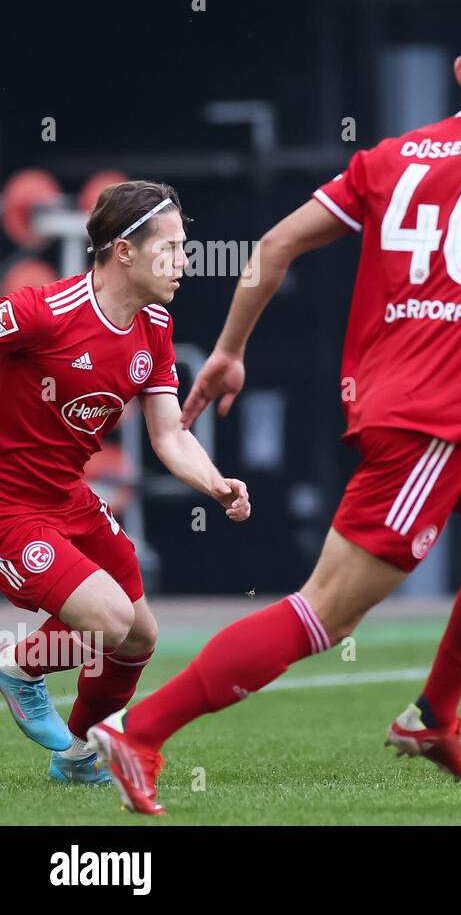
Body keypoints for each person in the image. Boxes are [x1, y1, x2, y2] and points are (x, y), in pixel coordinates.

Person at [88, 3, 461, 815]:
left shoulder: (391, 157)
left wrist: (227, 351)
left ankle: (432, 717)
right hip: (429, 422)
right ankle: (141, 731)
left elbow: (273, 247)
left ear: (459, 74)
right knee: (321, 613)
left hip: (412, 404)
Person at [0, 181, 250, 784]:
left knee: (138, 638)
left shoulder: (154, 326)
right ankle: (19, 667)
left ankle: (80, 754)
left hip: (68, 497)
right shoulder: (42, 312)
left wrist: (215, 484)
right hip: (10, 504)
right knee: (108, 620)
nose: (184, 261)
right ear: (124, 251)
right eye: (171, 248)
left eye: (185, 248)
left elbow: (168, 434)